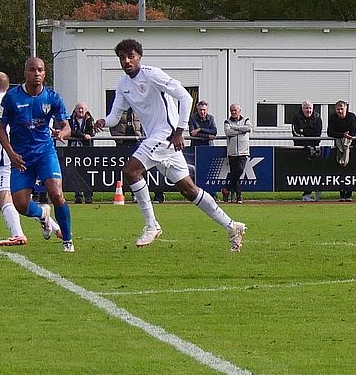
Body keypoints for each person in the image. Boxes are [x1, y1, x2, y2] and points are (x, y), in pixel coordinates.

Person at [93, 39, 245, 252]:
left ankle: (151, 225)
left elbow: (185, 97)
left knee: (131, 171)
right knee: (189, 190)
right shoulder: (123, 84)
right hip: (157, 138)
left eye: (131, 56)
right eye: (122, 58)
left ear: (139, 57)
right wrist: (103, 121)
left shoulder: (152, 74)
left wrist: (179, 131)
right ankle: (232, 226)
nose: (126, 61)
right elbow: (114, 116)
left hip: (167, 134)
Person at [0, 57, 76, 253]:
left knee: (56, 193)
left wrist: (62, 133)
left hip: (45, 153)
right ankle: (42, 214)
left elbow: (66, 126)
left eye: (40, 70)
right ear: (25, 73)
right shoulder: (11, 97)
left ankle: (67, 240)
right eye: (32, 70)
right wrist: (11, 154)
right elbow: (0, 128)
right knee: (21, 205)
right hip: (21, 157)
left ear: (45, 72)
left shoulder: (53, 97)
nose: (37, 73)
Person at [0, 71, 51, 246]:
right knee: (21, 198)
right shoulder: (22, 99)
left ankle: (18, 234)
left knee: (5, 199)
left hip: (9, 157)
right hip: (29, 154)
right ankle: (54, 226)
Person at [327, 100, 356, 202]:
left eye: (341, 109)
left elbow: (352, 132)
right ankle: (341, 194)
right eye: (338, 109)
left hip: (351, 146)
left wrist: (341, 135)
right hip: (338, 147)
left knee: (350, 170)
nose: (340, 111)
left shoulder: (352, 117)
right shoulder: (333, 117)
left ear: (346, 108)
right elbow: (330, 132)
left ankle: (349, 194)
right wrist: (342, 135)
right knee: (339, 170)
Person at [291, 100, 323, 201]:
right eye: (306, 108)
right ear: (302, 108)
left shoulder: (317, 117)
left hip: (314, 148)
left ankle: (317, 189)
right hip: (300, 149)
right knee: (303, 172)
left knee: (315, 171)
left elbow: (317, 134)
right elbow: (296, 132)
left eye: (310, 108)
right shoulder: (296, 117)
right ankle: (306, 194)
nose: (308, 110)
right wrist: (309, 133)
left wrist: (304, 131)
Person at [66, 101, 97, 203]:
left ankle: (88, 196)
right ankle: (78, 196)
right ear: (75, 110)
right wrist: (82, 135)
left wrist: (80, 134)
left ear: (86, 110)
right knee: (75, 174)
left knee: (87, 173)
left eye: (82, 108)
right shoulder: (70, 120)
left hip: (86, 150)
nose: (80, 110)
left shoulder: (90, 120)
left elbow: (91, 133)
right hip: (73, 150)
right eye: (78, 108)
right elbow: (69, 132)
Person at [222, 103, 253, 204]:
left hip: (243, 152)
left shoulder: (246, 120)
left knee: (239, 171)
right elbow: (228, 132)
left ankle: (226, 189)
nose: (234, 112)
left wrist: (235, 128)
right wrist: (241, 130)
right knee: (235, 175)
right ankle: (238, 196)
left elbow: (249, 128)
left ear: (240, 111)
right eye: (232, 110)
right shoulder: (227, 121)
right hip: (232, 153)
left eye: (235, 110)